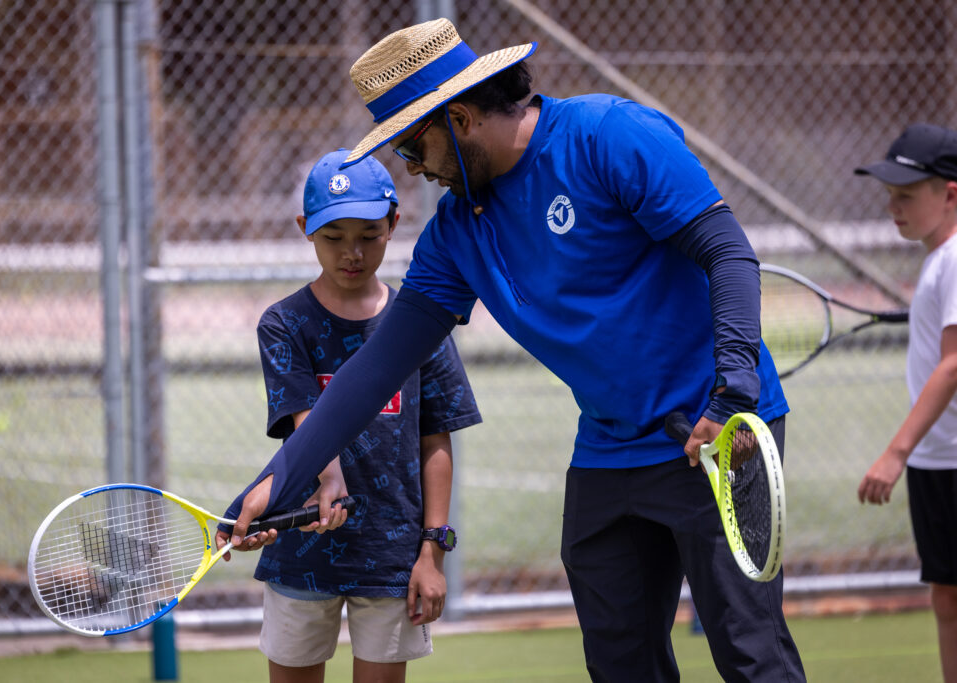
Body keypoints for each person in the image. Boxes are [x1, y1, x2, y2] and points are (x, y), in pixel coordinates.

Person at [223, 19, 806, 682]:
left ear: (459, 119)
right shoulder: (455, 233)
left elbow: (729, 252)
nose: (411, 168)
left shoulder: (607, 134)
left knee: (750, 655)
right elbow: (373, 371)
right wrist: (276, 481)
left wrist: (732, 393)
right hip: (610, 447)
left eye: (412, 146)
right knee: (620, 664)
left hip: (716, 431)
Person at [216, 148, 482, 683]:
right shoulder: (283, 323)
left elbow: (436, 441)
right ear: (306, 230)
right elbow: (308, 427)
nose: (352, 252)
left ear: (394, 223)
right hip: (302, 548)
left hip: (392, 555)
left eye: (369, 235)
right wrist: (325, 478)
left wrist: (432, 552)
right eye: (334, 237)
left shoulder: (421, 322)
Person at [856, 123, 957, 683]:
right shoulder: (938, 259)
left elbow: (953, 363)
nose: (893, 207)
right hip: (938, 461)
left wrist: (895, 453)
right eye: (889, 194)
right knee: (947, 594)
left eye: (907, 195)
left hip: (946, 459)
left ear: (950, 194)